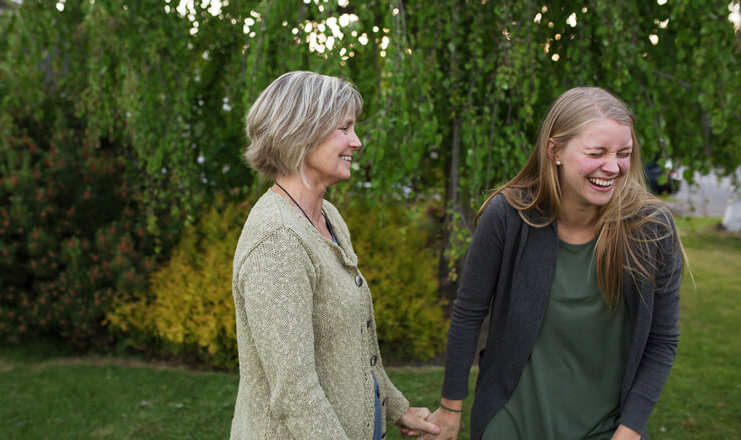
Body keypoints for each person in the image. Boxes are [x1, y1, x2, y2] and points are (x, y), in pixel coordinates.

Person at [424, 87, 683, 440]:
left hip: (608, 429)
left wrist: (631, 428)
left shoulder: (651, 229)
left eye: (624, 153)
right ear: (554, 150)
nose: (613, 166)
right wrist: (451, 409)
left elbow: (662, 339)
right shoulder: (509, 216)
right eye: (597, 153)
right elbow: (469, 312)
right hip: (511, 423)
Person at [230, 71, 440, 440]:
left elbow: (350, 347)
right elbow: (295, 393)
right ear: (301, 131)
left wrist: (397, 408)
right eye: (344, 128)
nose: (356, 142)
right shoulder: (278, 242)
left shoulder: (329, 218)